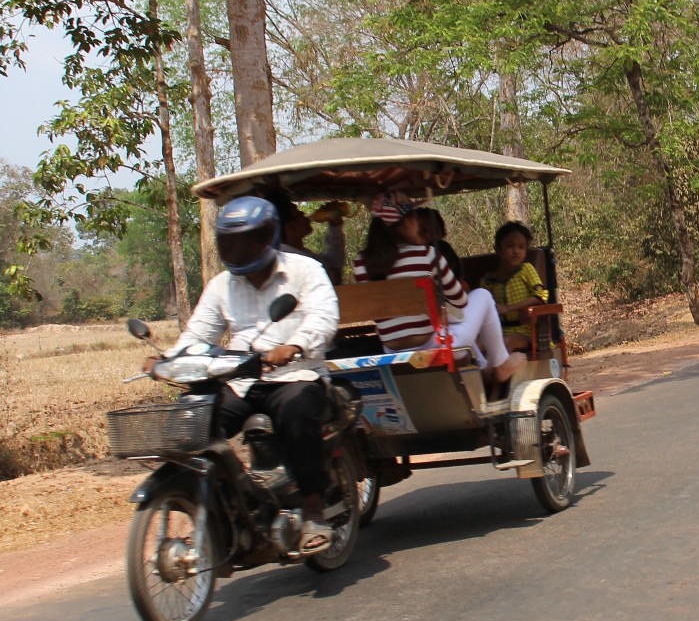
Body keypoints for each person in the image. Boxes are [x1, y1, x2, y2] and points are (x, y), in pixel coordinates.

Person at [150, 196, 341, 557]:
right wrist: (166, 361)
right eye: (232, 241)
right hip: (240, 379)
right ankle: (231, 500)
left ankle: (313, 510)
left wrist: (295, 345)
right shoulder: (223, 284)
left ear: (269, 236)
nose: (241, 249)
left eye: (250, 239)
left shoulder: (304, 271)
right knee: (192, 420)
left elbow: (323, 318)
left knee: (297, 413)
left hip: (295, 375)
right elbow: (198, 335)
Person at [354, 194, 524, 382]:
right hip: (434, 346)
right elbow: (460, 301)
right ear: (402, 224)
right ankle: (500, 363)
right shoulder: (427, 254)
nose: (418, 223)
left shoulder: (361, 263)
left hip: (391, 351)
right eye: (414, 217)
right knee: (482, 295)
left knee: (446, 318)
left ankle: (483, 367)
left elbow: (376, 312)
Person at [481, 220, 550, 355]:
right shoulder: (488, 281)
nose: (516, 251)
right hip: (497, 331)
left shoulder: (526, 270)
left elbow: (540, 296)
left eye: (521, 247)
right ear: (498, 249)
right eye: (510, 246)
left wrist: (508, 308)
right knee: (475, 346)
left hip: (524, 331)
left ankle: (498, 374)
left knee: (506, 343)